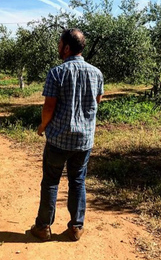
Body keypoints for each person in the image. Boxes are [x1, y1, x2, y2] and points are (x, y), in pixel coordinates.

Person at [31, 28, 104, 242]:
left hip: (58, 139)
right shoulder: (97, 73)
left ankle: (43, 227)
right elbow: (97, 101)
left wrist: (42, 126)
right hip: (83, 141)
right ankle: (76, 227)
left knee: (51, 182)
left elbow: (49, 107)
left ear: (67, 47)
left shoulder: (56, 72)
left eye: (59, 43)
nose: (58, 47)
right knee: (78, 181)